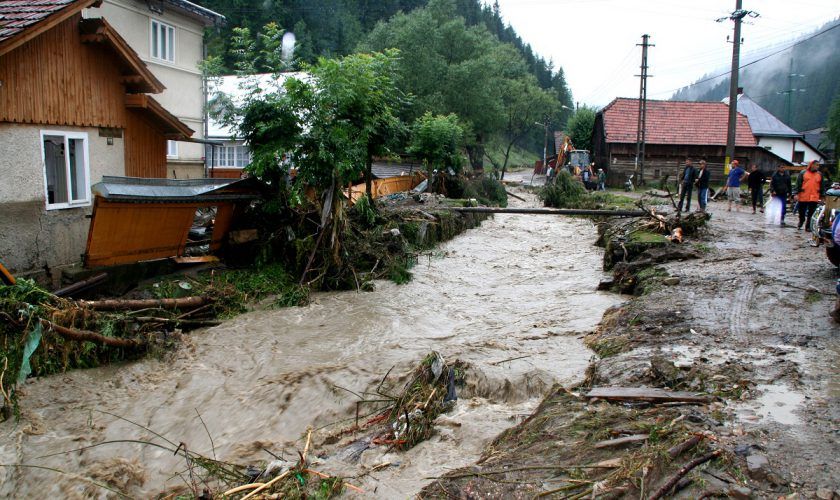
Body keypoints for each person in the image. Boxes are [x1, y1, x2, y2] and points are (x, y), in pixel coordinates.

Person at [793, 160, 823, 230]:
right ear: (811, 165)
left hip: (814, 196)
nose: (817, 166)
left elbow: (822, 186)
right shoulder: (803, 173)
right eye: (816, 165)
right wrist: (795, 194)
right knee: (801, 211)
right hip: (803, 196)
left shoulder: (819, 174)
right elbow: (798, 184)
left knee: (811, 212)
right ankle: (801, 220)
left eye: (818, 165)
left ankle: (808, 226)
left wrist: (822, 196)